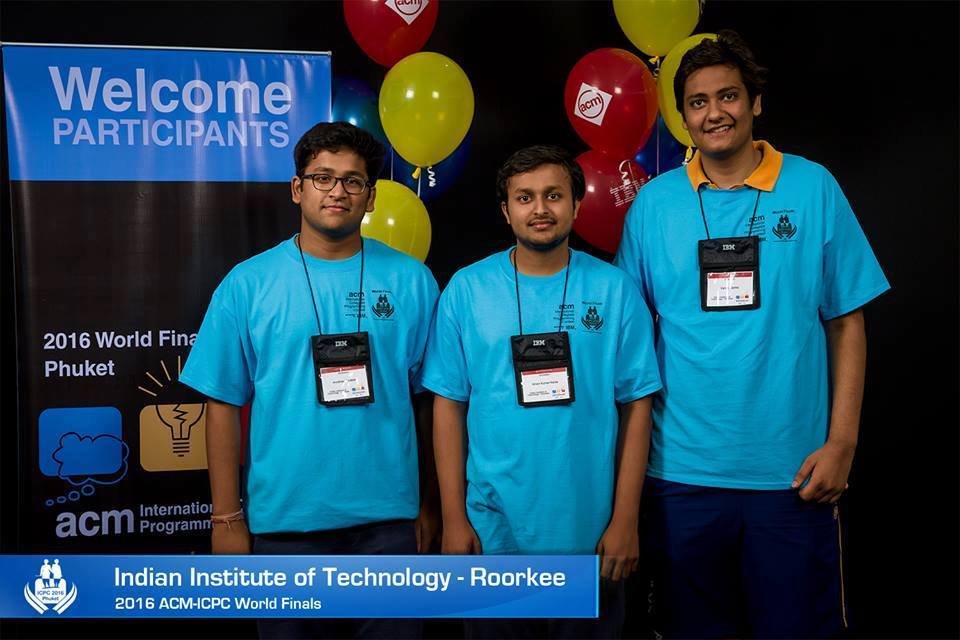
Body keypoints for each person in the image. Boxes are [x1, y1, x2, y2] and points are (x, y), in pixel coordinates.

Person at [615, 30, 890, 638]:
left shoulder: (813, 187)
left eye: (728, 96)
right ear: (683, 117)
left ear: (755, 102)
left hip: (793, 476)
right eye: (698, 102)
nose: (714, 113)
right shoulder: (654, 205)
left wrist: (842, 443)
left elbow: (846, 320)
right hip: (680, 475)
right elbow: (628, 348)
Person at [180, 121, 440, 639]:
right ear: (298, 189)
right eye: (323, 177)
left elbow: (430, 403)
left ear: (370, 197)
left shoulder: (412, 281)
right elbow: (222, 404)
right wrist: (226, 519)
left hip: (390, 527)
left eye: (353, 181)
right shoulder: (247, 284)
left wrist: (433, 506)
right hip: (285, 529)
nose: (337, 191)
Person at [423, 145, 662, 639]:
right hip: (492, 535)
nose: (540, 209)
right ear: (505, 210)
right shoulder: (466, 290)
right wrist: (453, 519)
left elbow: (637, 406)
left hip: (589, 536)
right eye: (525, 197)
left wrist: (626, 519)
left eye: (554, 195)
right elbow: (447, 406)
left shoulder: (615, 290)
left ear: (576, 205)